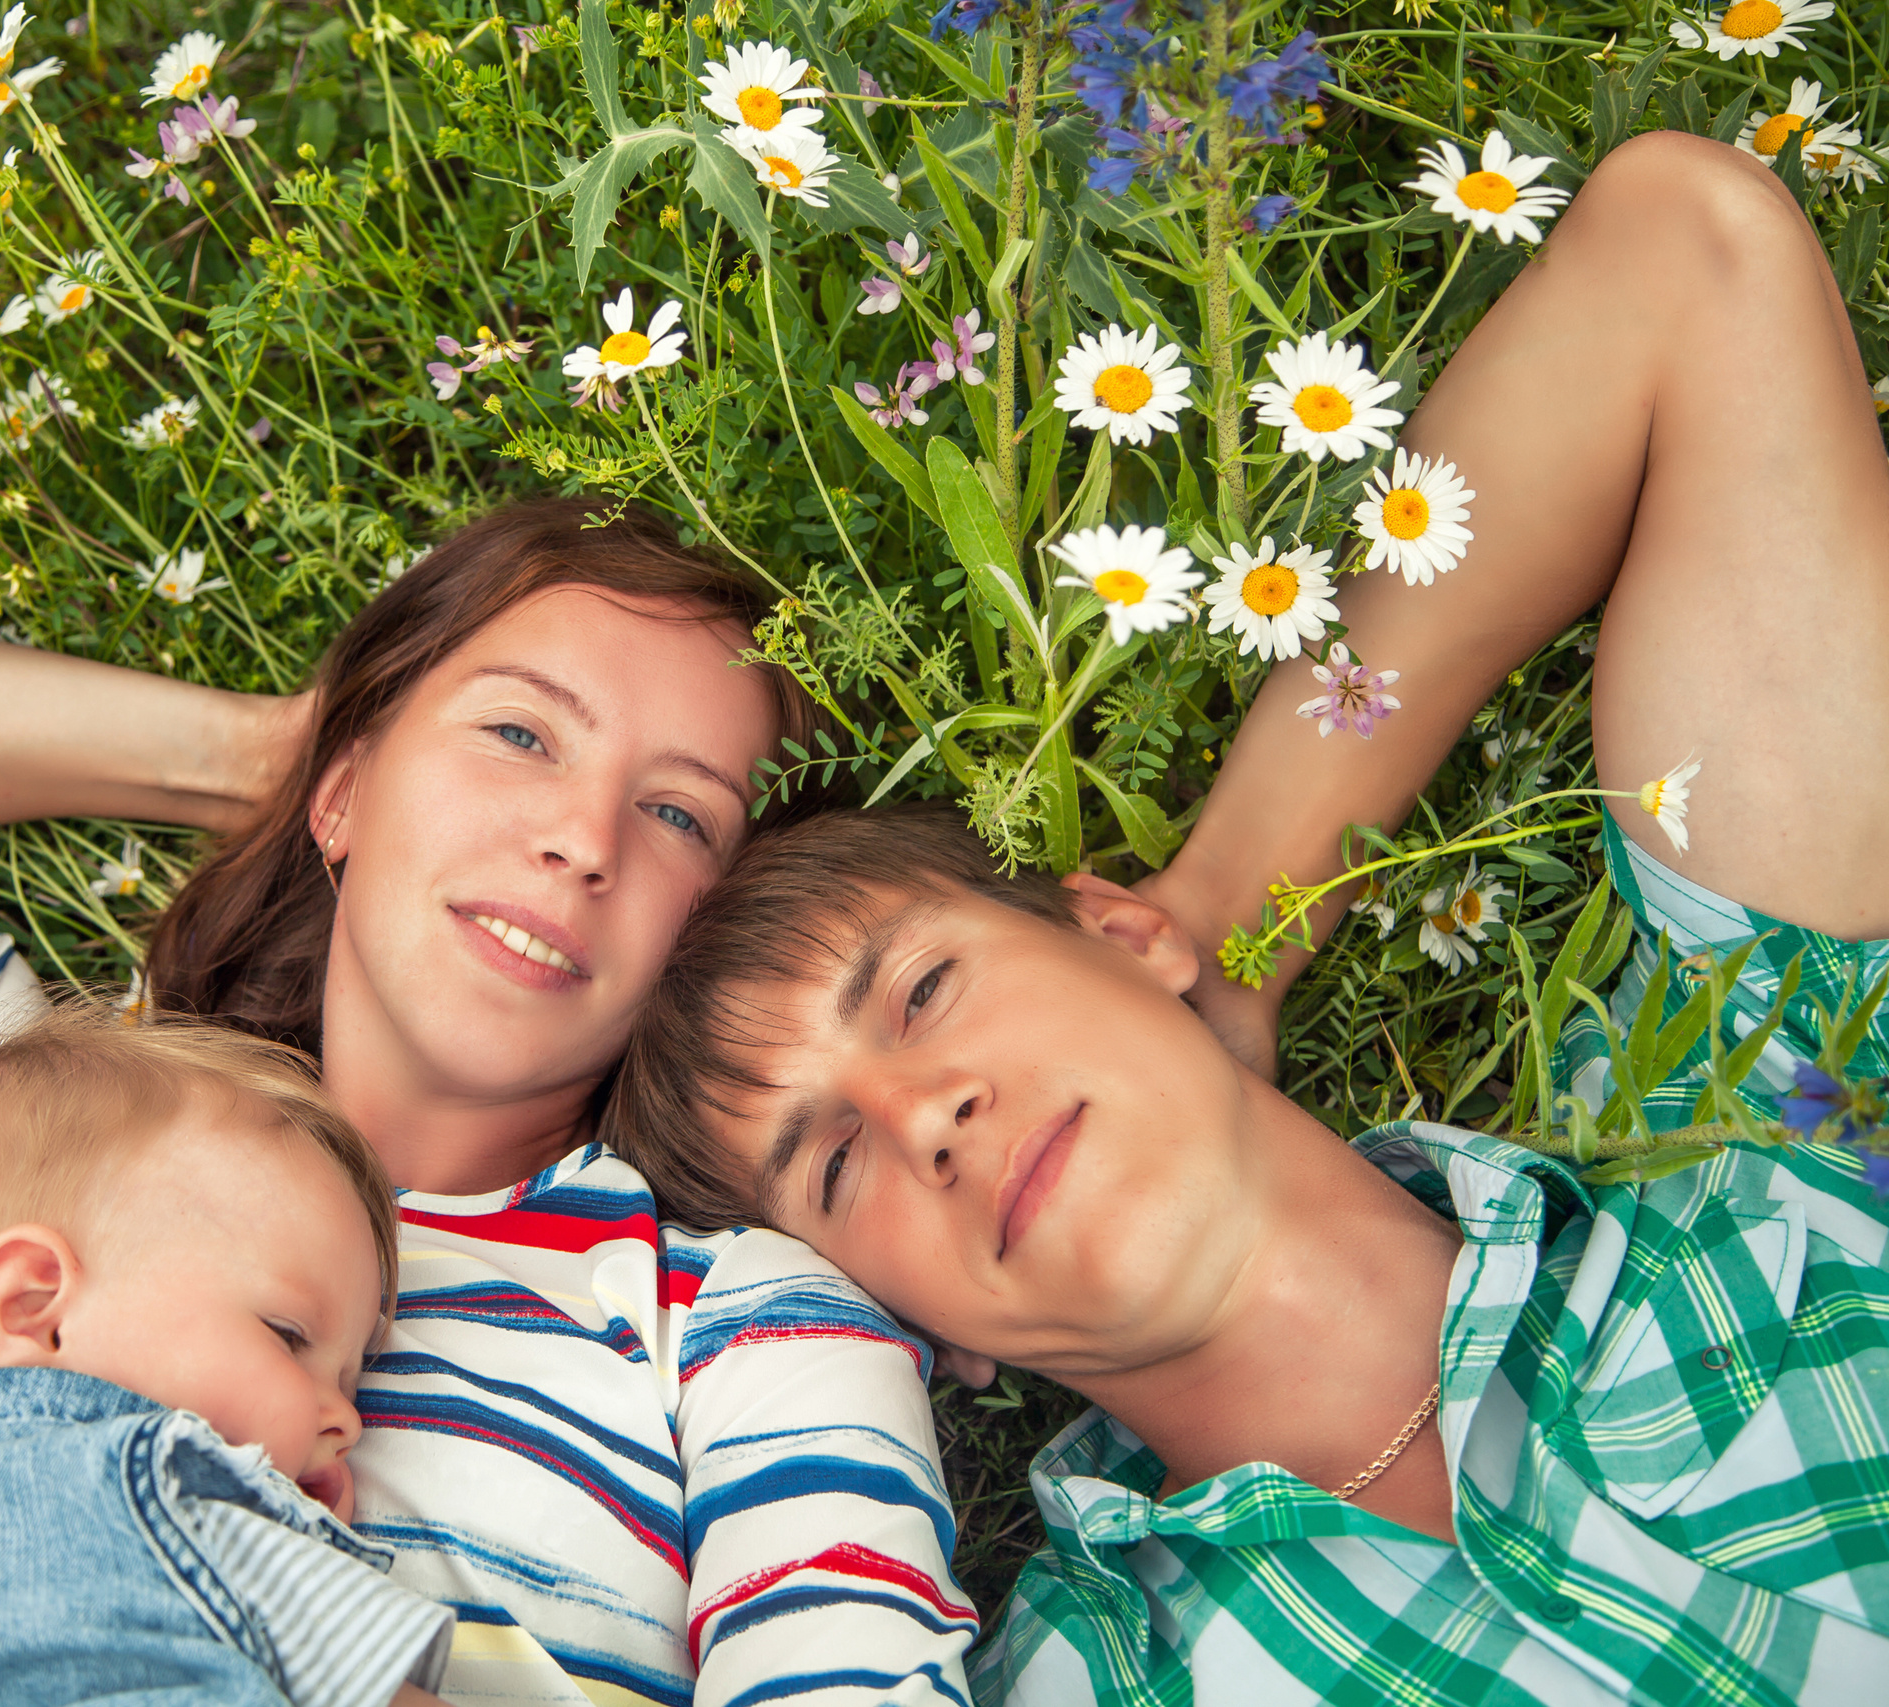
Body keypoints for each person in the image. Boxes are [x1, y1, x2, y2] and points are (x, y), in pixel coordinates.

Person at [603, 133, 1889, 1707]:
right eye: (838, 1161)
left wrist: (1229, 911)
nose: (923, 1111)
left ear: (1114, 937)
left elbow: (1689, 256)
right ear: (915, 1335)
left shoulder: (1776, 1097)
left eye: (924, 989)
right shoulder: (1090, 1681)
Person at [0, 500, 979, 1707]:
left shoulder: (744, 1311)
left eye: (682, 814)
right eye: (518, 732)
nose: (582, 836)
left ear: (712, 929)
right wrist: (266, 752)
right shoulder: (67, 1143)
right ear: (345, 792)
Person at [0, 1004, 453, 1707]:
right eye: (287, 1333)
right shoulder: (178, 1491)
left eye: (352, 1375)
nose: (347, 1419)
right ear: (33, 1308)